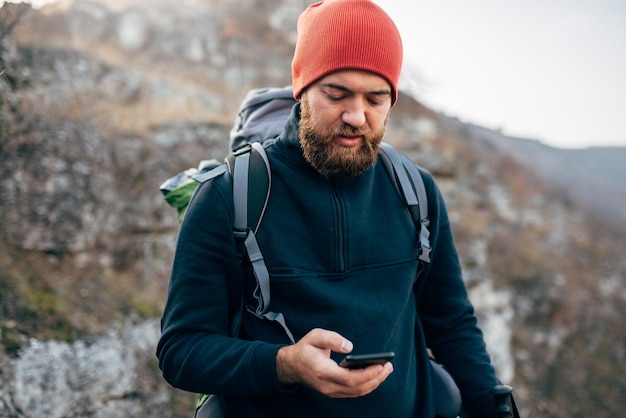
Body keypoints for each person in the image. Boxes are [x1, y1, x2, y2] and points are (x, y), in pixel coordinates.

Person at [157, 0, 503, 417]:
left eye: (376, 99)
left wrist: (495, 408)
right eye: (336, 94)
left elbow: (452, 326)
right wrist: (286, 364)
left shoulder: (417, 193)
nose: (356, 116)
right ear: (302, 88)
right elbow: (182, 350)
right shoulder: (229, 196)